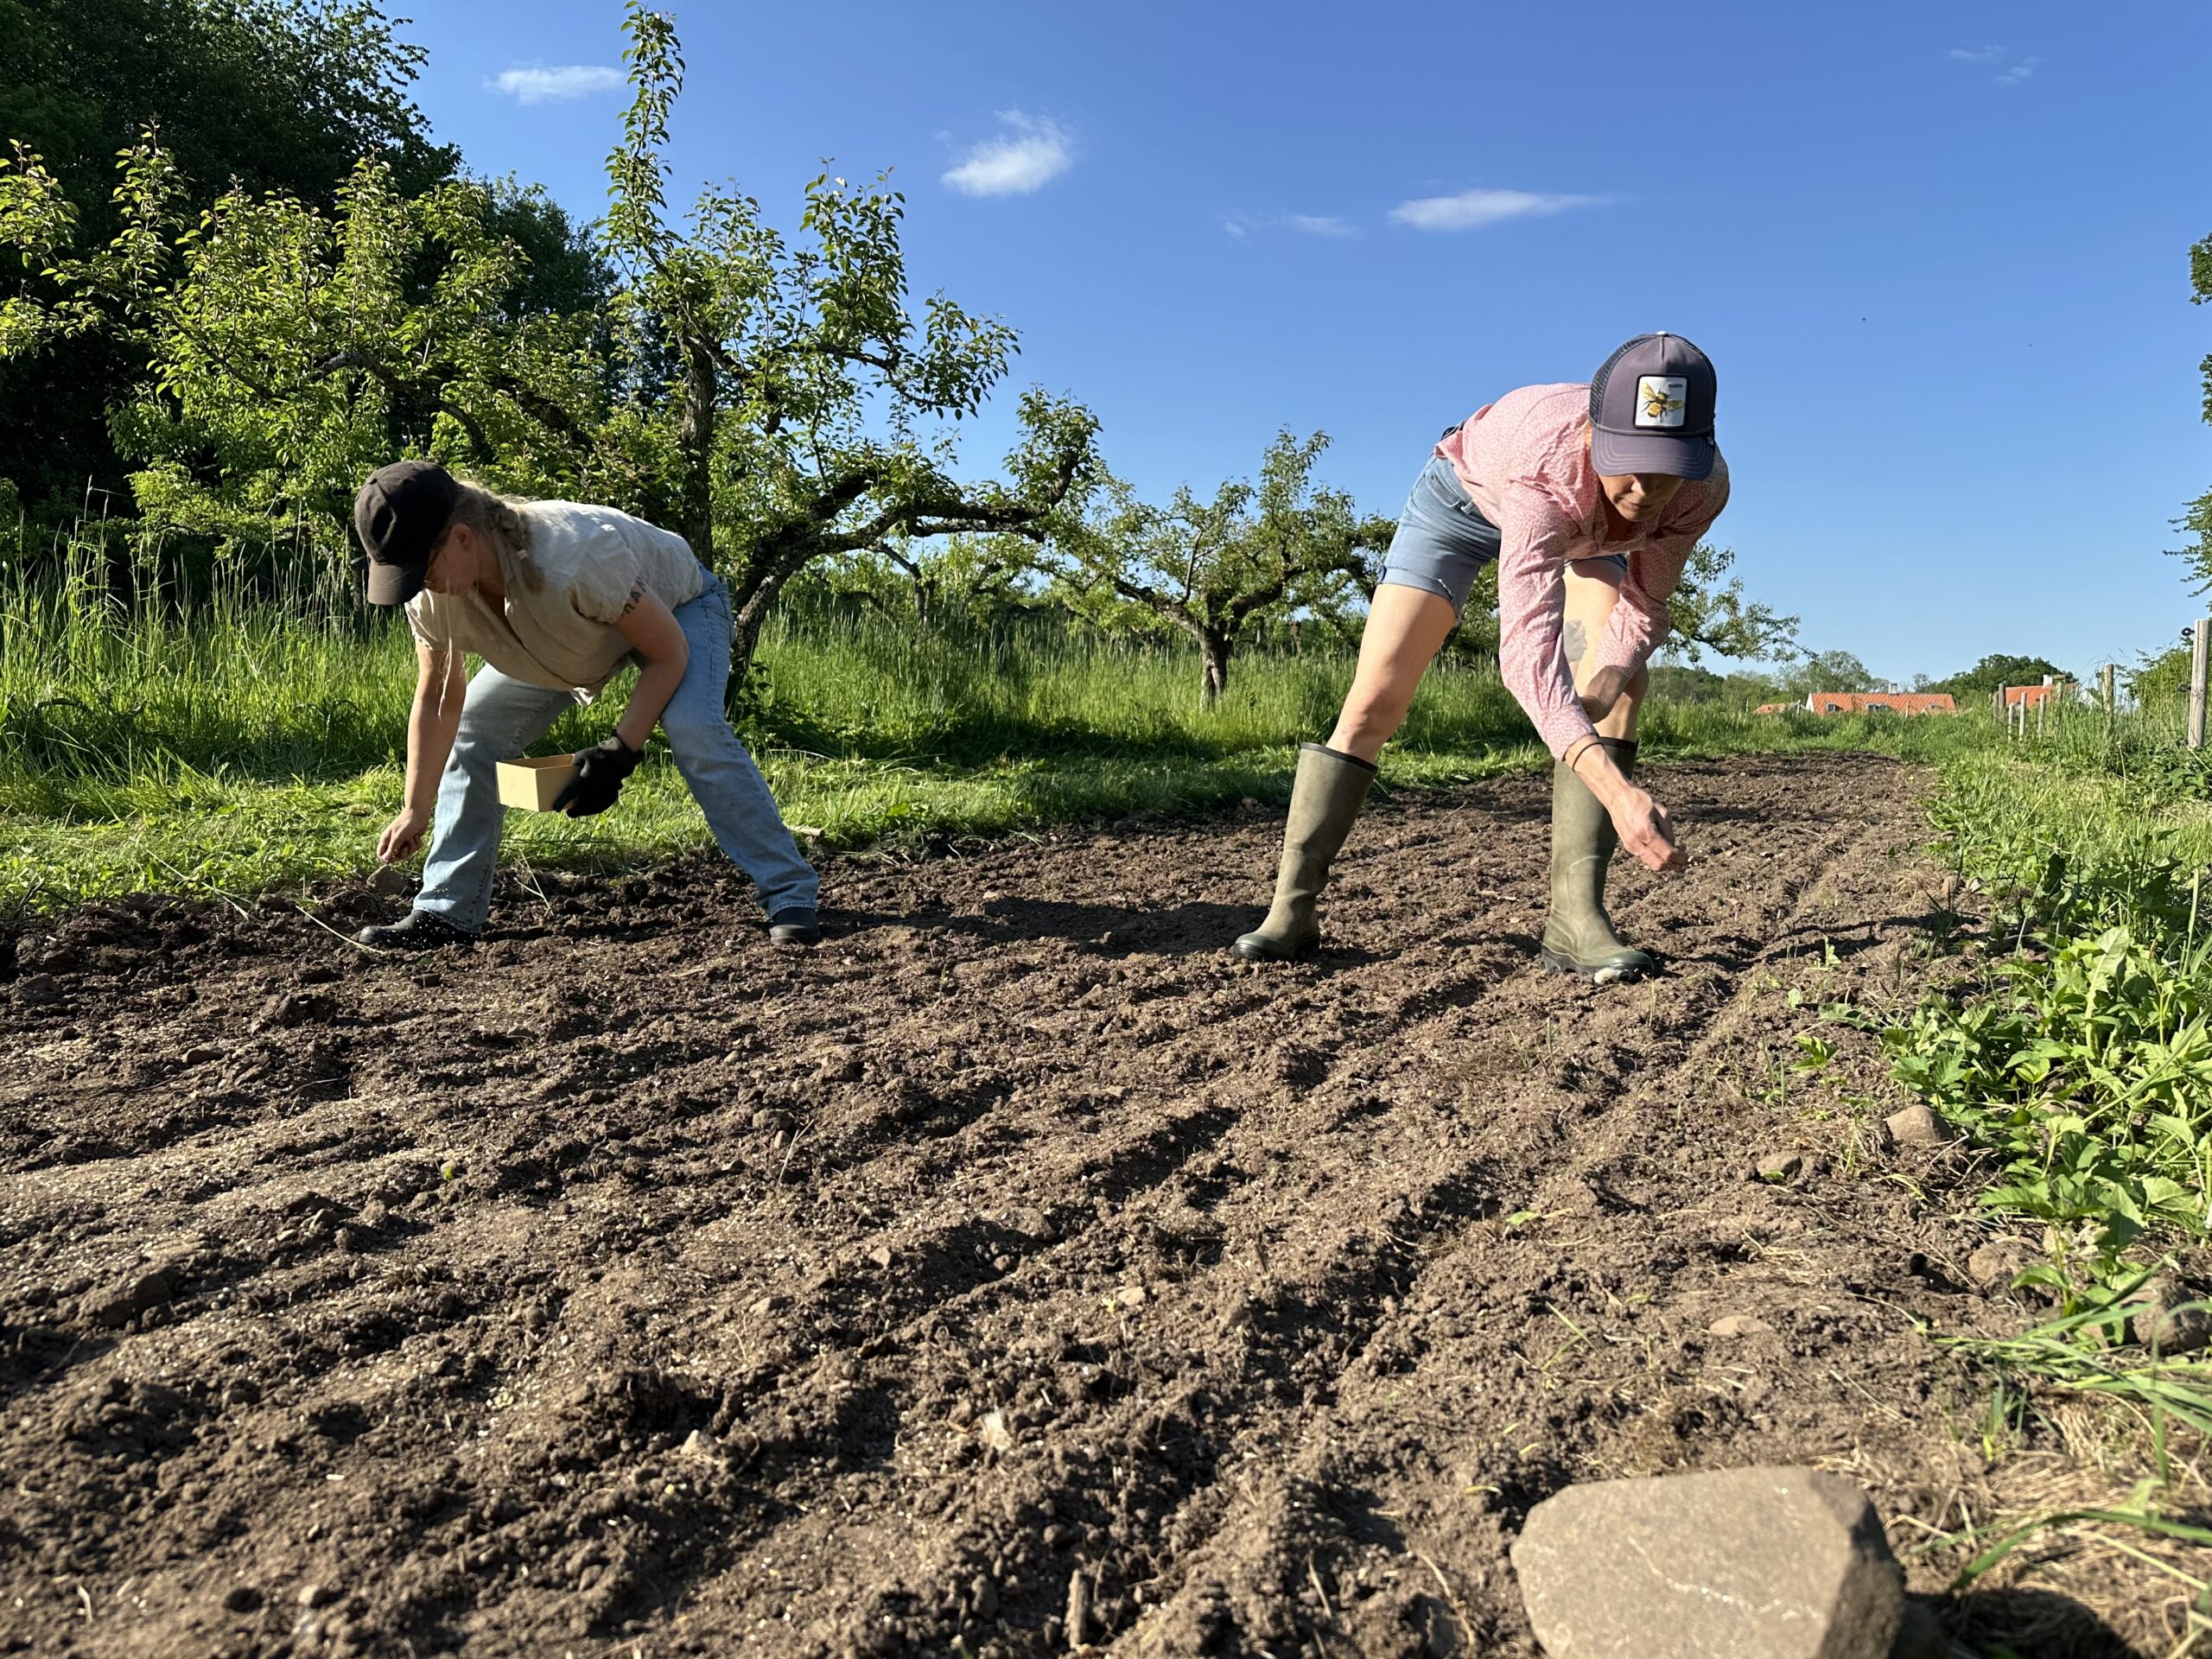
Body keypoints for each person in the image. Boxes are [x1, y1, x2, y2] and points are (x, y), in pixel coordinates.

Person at [1232, 333, 1728, 982]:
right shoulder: (1546, 468)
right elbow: (1527, 653)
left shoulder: (1699, 491)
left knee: (1626, 685)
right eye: (1628, 460)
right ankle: (1291, 911)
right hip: (1464, 503)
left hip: (1585, 533)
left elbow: (1645, 605)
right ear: (1593, 434)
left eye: (1667, 464)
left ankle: (1577, 921)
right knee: (1376, 698)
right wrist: (1618, 794)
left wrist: (1604, 685)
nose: (1644, 486)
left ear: (1700, 451)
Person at [350, 461, 822, 948]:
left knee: (694, 728)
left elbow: (668, 654)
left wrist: (619, 752)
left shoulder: (573, 555)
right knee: (474, 729)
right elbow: (438, 698)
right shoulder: (431, 594)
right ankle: (446, 911)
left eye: (422, 567)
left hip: (679, 607)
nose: (418, 584)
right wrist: (415, 808)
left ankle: (789, 891)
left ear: (463, 538)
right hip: (566, 639)